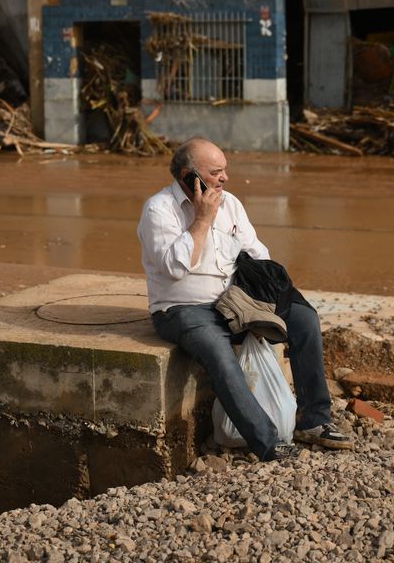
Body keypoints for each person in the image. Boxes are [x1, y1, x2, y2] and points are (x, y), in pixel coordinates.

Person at [137, 136, 352, 462]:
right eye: (216, 172)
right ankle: (268, 443)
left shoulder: (231, 204)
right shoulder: (158, 210)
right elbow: (174, 268)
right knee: (218, 351)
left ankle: (315, 420)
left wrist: (261, 297)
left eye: (225, 170)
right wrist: (202, 220)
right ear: (188, 176)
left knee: (304, 319)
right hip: (182, 309)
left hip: (234, 300)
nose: (225, 178)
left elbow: (256, 253)